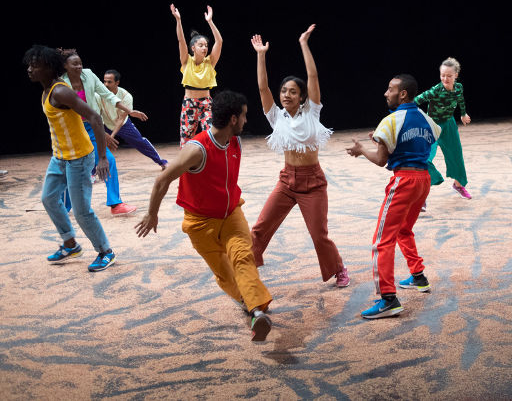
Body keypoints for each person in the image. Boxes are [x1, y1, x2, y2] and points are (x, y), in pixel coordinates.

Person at [134, 91, 273, 341]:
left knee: (243, 257)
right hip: (200, 224)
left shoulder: (234, 141)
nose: (246, 121)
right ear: (233, 119)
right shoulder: (197, 149)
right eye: (243, 116)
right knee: (223, 272)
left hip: (231, 215)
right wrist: (152, 214)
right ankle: (248, 299)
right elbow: (161, 179)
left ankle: (256, 312)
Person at [249, 26, 349, 288]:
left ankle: (338, 268)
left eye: (293, 92)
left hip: (312, 182)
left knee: (319, 235)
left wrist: (304, 43)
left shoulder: (311, 113)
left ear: (302, 96)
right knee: (260, 228)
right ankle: (246, 270)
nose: (286, 95)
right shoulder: (276, 116)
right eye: (284, 91)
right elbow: (262, 88)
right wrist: (261, 55)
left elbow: (312, 75)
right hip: (286, 182)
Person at [345, 74, 441, 319]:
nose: (386, 94)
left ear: (403, 94)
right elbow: (424, 142)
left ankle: (388, 299)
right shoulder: (429, 121)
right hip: (423, 181)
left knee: (382, 242)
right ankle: (419, 277)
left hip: (404, 181)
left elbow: (380, 160)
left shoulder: (390, 121)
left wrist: (361, 150)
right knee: (403, 230)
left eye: (390, 89)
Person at [25, 45, 117, 272]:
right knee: (48, 199)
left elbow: (95, 117)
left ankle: (106, 252)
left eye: (34, 66)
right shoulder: (47, 91)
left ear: (48, 68)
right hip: (60, 157)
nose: (30, 69)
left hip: (79, 158)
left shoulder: (60, 91)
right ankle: (70, 243)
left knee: (81, 211)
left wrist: (102, 157)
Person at [61, 49, 145, 216]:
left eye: (80, 63)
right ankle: (64, 207)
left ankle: (115, 204)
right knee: (73, 167)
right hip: (72, 130)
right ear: (65, 66)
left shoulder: (89, 75)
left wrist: (129, 111)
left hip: (92, 127)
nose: (79, 67)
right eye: (74, 64)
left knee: (109, 160)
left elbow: (107, 95)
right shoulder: (60, 83)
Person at [414, 57, 472, 207]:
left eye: (449, 76)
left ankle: (458, 185)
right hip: (432, 126)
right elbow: (416, 101)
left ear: (456, 75)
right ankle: (421, 195)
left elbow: (461, 100)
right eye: (442, 75)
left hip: (449, 125)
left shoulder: (458, 88)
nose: (445, 78)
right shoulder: (435, 90)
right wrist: (415, 116)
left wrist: (463, 114)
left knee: (456, 155)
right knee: (425, 158)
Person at [170, 4, 222, 147]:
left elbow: (219, 42)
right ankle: (187, 167)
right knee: (186, 140)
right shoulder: (186, 61)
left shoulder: (210, 62)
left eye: (206, 45)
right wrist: (178, 20)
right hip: (189, 103)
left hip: (206, 104)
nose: (205, 48)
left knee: (212, 136)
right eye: (201, 45)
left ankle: (210, 165)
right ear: (193, 48)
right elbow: (181, 40)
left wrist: (210, 21)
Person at [98, 70, 168, 169]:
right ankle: (91, 173)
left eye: (109, 82)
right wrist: (104, 135)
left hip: (123, 125)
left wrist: (111, 137)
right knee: (95, 145)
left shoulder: (126, 96)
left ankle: (162, 162)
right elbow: (97, 115)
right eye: (104, 81)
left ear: (117, 83)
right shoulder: (99, 95)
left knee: (140, 142)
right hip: (105, 124)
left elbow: (121, 119)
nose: (106, 84)